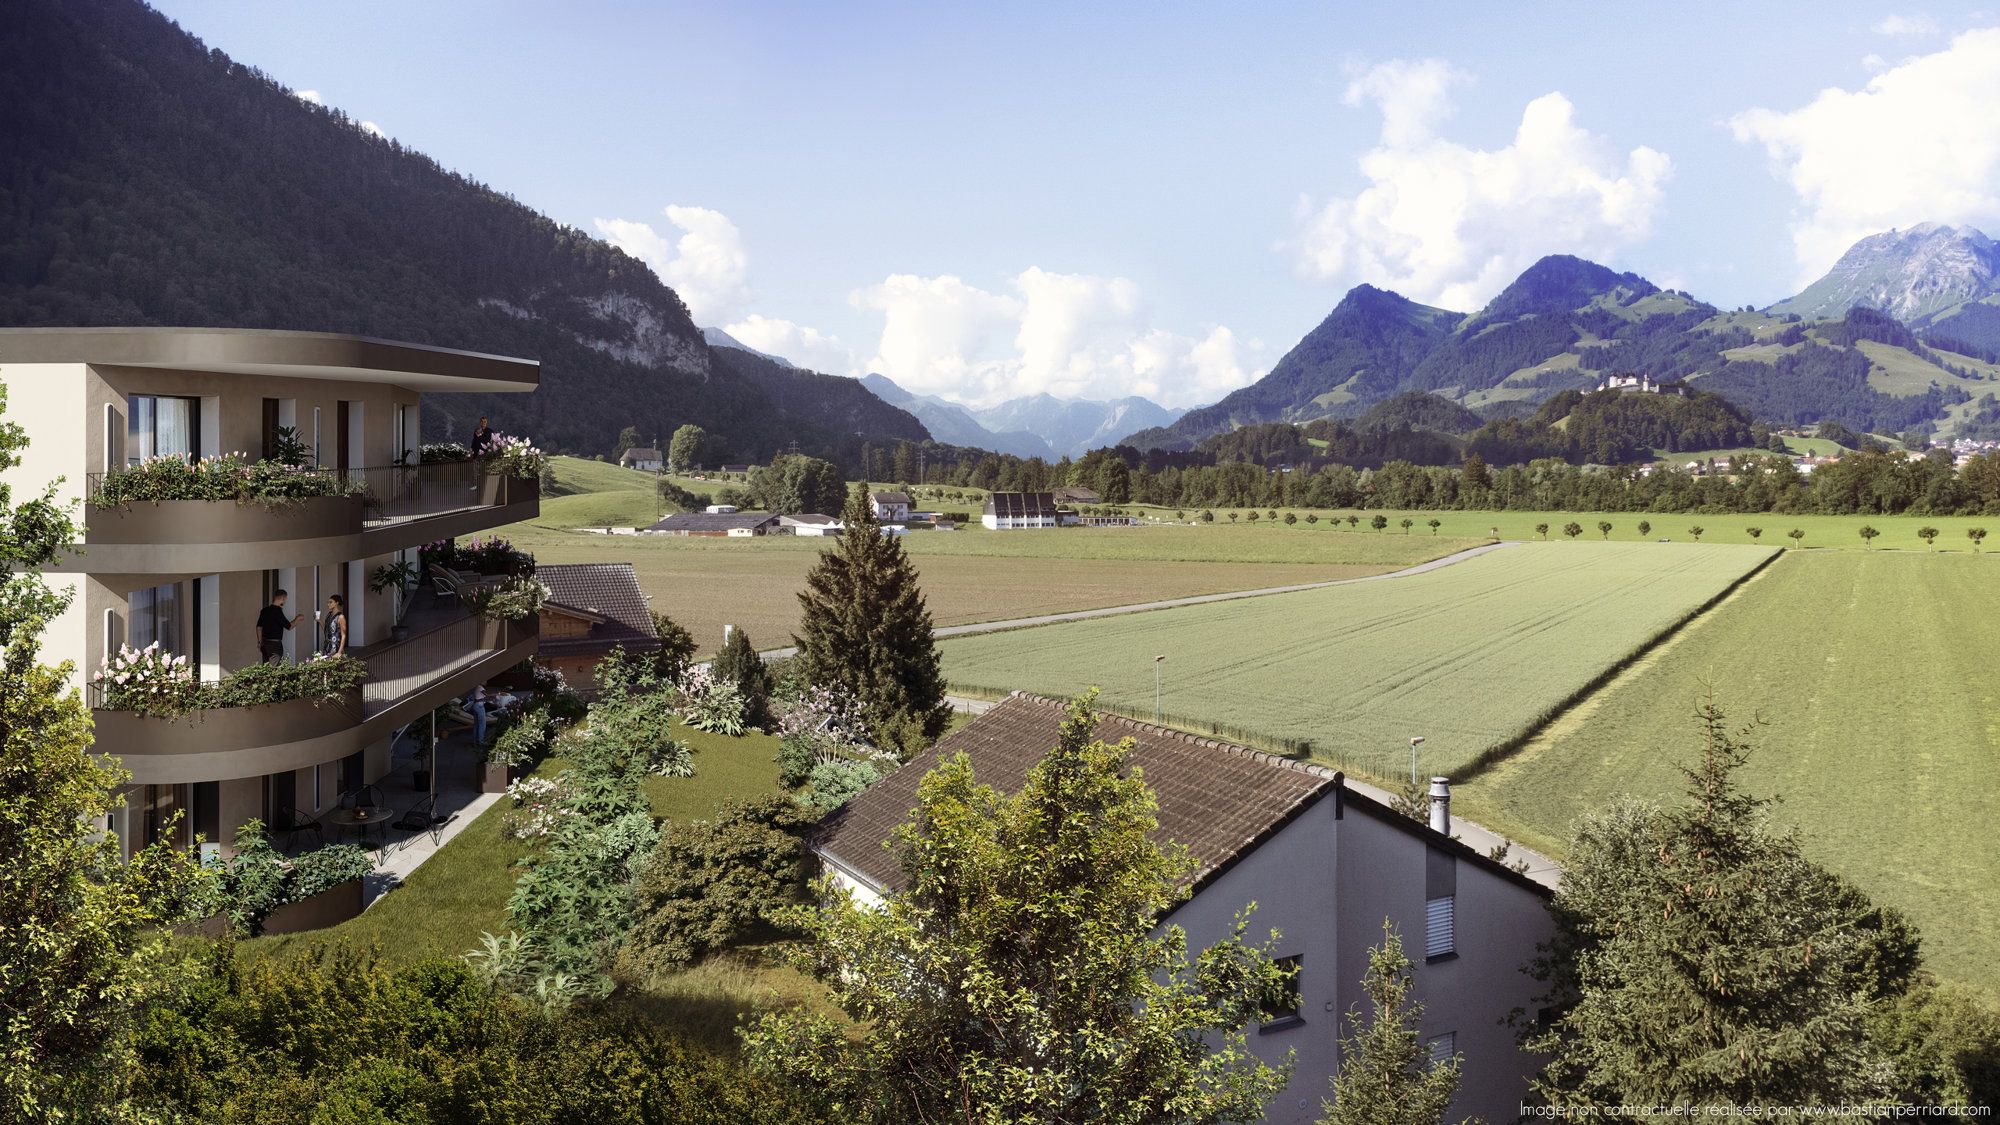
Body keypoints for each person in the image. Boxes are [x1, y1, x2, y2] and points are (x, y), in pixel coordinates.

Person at [255, 589, 301, 663]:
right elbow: (289, 626)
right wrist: (298, 618)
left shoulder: (264, 610)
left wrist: (260, 642)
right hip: (275, 645)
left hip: (265, 644)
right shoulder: (277, 611)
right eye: (285, 599)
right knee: (274, 669)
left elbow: (259, 627)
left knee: (266, 667)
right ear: (283, 598)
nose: (285, 601)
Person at [319, 594, 347, 658]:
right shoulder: (328, 615)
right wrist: (319, 621)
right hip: (327, 646)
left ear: (336, 603)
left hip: (336, 647)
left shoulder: (340, 617)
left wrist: (339, 652)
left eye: (330, 602)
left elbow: (343, 635)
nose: (328, 604)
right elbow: (326, 630)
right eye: (328, 602)